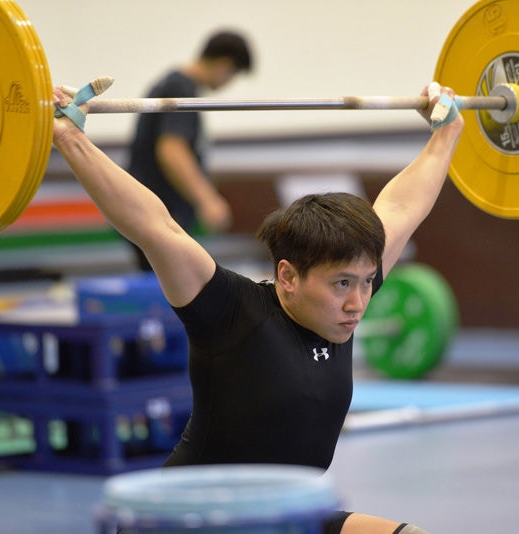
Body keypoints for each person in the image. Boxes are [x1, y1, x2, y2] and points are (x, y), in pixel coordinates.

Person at [53, 81, 463, 534]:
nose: (358, 302)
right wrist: (71, 139)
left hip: (283, 516)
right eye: (342, 284)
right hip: (193, 522)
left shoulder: (344, 297)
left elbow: (403, 206)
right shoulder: (230, 312)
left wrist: (447, 133)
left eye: (367, 283)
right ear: (288, 276)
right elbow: (155, 226)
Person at [126, 30, 253, 270]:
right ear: (225, 64)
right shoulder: (179, 87)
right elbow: (172, 151)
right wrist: (207, 199)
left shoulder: (177, 85)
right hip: (158, 215)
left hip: (154, 214)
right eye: (233, 74)